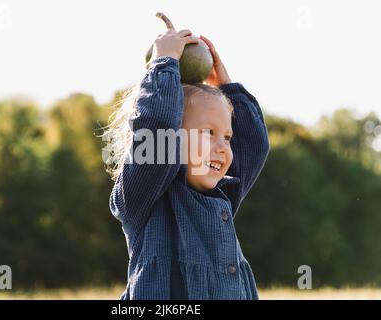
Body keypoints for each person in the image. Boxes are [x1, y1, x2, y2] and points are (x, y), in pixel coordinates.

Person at [104, 28, 270, 299]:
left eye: (227, 137)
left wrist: (227, 86)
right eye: (208, 133)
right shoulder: (146, 198)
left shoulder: (221, 195)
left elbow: (254, 143)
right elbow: (157, 126)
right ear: (172, 137)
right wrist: (164, 64)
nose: (223, 148)